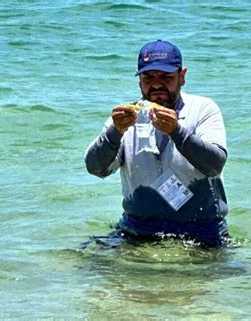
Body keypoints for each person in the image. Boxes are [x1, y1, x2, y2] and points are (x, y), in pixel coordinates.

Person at [85, 40, 231, 247]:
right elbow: (95, 169)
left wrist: (177, 132)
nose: (156, 85)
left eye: (166, 77)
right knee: (84, 261)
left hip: (202, 229)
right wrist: (114, 133)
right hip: (137, 228)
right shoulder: (126, 116)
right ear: (139, 81)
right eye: (148, 78)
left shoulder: (203, 110)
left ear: (182, 77)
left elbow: (215, 164)